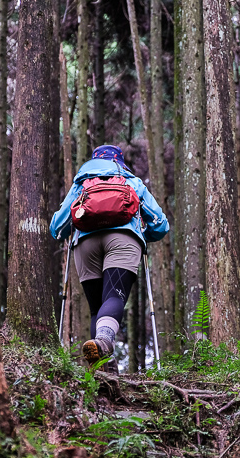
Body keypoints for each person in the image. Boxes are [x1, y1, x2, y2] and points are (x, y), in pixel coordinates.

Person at [50, 145, 169, 371]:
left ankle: (105, 368)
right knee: (114, 297)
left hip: (85, 245)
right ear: (119, 162)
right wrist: (144, 234)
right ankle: (104, 342)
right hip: (123, 239)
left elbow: (57, 227)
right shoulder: (131, 181)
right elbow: (161, 225)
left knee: (97, 309)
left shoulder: (81, 183)